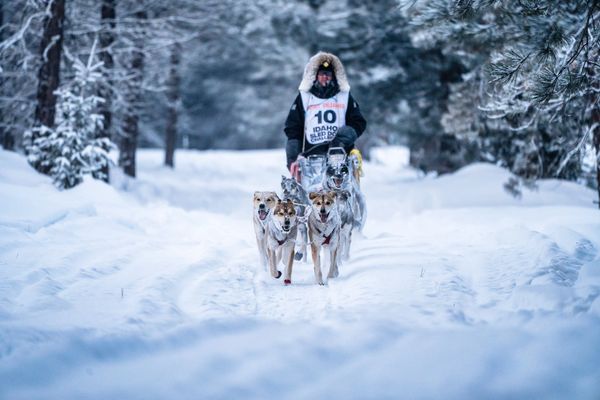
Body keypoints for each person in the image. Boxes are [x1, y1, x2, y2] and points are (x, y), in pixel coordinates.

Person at [284, 52, 367, 180]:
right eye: (321, 74)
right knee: (311, 198)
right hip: (311, 158)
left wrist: (341, 139)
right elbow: (293, 129)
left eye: (328, 74)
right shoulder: (305, 97)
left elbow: (358, 122)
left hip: (341, 155)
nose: (325, 77)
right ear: (315, 76)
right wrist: (293, 159)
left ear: (334, 76)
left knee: (343, 196)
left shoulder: (344, 96)